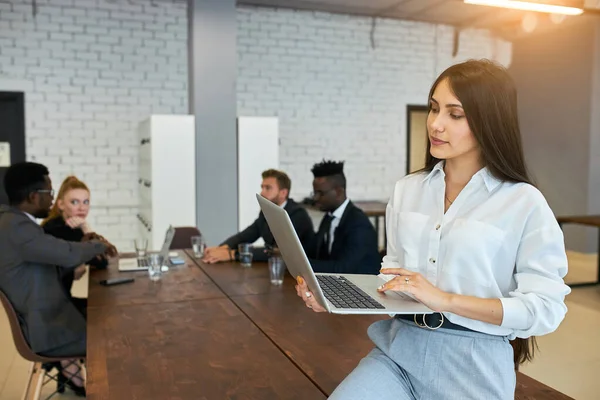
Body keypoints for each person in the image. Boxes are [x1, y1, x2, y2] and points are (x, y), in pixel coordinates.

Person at [296, 60, 571, 399]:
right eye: (434, 109)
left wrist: (446, 300)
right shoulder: (407, 189)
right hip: (398, 349)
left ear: (489, 122)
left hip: (474, 359)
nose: (436, 125)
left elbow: (546, 308)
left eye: (455, 115)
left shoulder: (524, 202)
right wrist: (336, 298)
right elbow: (394, 279)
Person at [0, 162, 117, 396]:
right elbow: (65, 253)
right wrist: (97, 245)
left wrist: (80, 250)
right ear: (34, 196)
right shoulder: (17, 228)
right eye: (50, 193)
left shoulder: (12, 223)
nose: (52, 200)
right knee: (119, 334)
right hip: (47, 329)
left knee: (108, 315)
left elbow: (52, 260)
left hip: (45, 317)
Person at [203, 169, 314, 263]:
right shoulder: (267, 211)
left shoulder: (297, 215)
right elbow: (247, 234)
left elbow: (277, 251)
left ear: (283, 193)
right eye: (262, 187)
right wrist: (223, 247)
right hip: (276, 270)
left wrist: (233, 254)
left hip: (299, 277)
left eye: (268, 188)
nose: (262, 192)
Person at [41, 176, 108, 317]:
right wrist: (78, 262)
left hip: (61, 300)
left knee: (104, 306)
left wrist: (85, 228)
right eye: (74, 202)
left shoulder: (74, 227)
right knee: (103, 313)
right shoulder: (54, 229)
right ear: (61, 205)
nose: (82, 208)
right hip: (51, 307)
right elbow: (100, 259)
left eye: (86, 202)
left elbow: (101, 261)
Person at [306, 160, 380, 274]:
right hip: (340, 285)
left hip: (360, 288)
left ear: (339, 192)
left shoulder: (359, 224)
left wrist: (303, 264)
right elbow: (317, 252)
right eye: (314, 193)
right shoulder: (329, 217)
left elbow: (342, 269)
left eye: (320, 193)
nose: (315, 198)